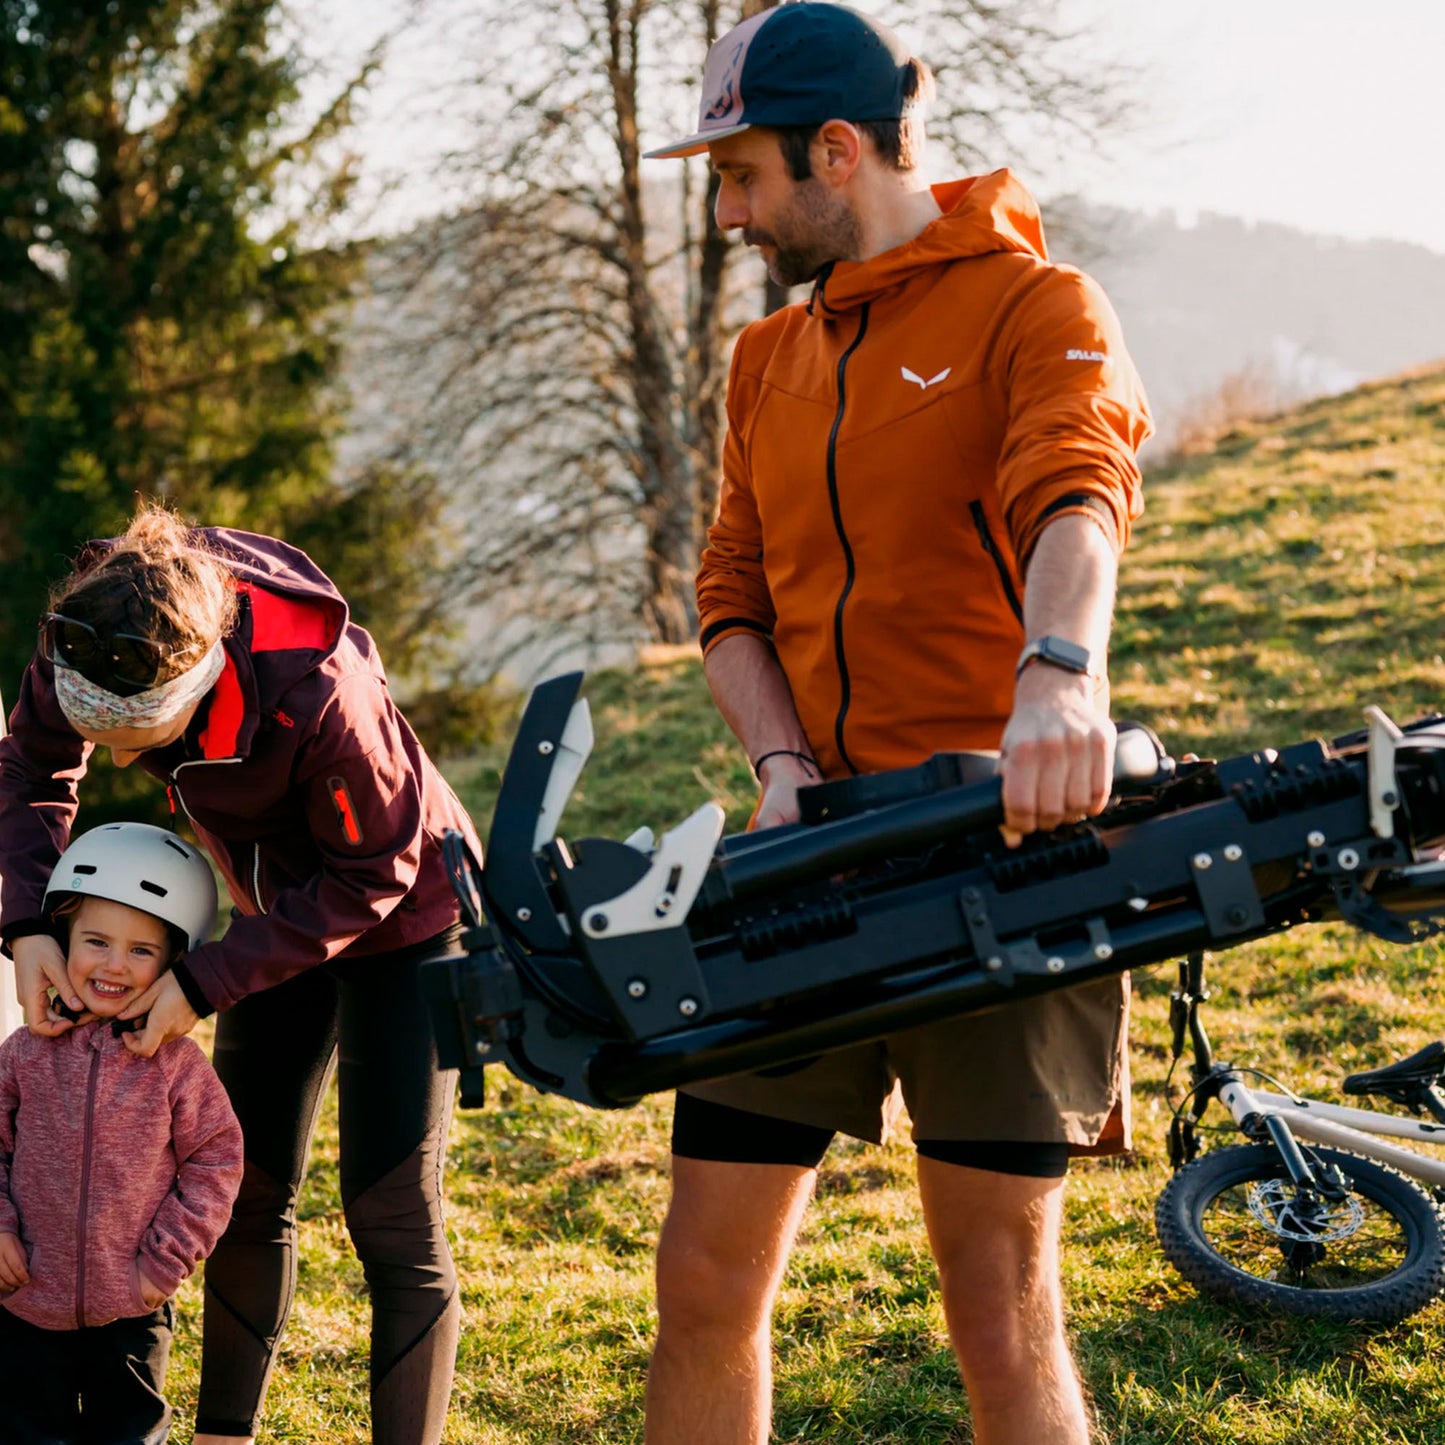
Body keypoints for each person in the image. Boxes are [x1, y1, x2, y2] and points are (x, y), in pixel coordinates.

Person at [642, 5, 1152, 1442]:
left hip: (1008, 843)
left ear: (839, 149)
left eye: (742, 177)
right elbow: (731, 590)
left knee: (997, 1306)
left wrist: (1059, 671)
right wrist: (780, 763)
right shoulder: (765, 364)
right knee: (701, 1277)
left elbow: (1075, 491)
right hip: (810, 867)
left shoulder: (1038, 307)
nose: (730, 212)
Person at [0, 505, 484, 1445]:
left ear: (204, 675)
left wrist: (202, 982)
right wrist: (25, 929)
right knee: (252, 1184)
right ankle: (225, 1435)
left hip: (406, 912)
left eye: (140, 735)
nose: (127, 759)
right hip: (271, 911)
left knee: (386, 1205)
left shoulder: (319, 687)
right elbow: (28, 768)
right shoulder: (99, 627)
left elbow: (372, 871)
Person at [0, 822, 244, 1445]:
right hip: (23, 1301)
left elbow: (216, 1161)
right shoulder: (24, 1052)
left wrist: (164, 1263)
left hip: (132, 1306)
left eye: (140, 951)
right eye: (96, 941)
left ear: (173, 963)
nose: (113, 965)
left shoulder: (177, 1066)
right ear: (59, 938)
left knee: (128, 1435)